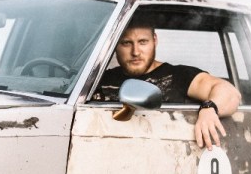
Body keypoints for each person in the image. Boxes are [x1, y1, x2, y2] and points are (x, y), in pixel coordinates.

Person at [92, 23, 242, 150]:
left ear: (155, 40)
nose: (135, 52)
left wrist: (209, 108)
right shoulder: (97, 79)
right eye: (126, 43)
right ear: (115, 45)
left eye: (143, 42)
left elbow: (230, 93)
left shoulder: (178, 75)